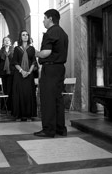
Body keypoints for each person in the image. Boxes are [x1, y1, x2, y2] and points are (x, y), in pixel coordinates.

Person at [34, 9, 68, 138]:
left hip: (51, 69)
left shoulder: (51, 32)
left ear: (50, 19)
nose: (43, 20)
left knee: (47, 99)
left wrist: (36, 52)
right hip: (60, 68)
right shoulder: (63, 33)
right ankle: (60, 129)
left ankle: (48, 130)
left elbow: (46, 52)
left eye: (44, 18)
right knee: (57, 99)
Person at [12, 30, 37, 121]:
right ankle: (19, 115)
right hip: (19, 74)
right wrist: (22, 71)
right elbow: (15, 61)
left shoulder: (32, 49)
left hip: (29, 75)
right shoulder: (17, 48)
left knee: (28, 94)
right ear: (20, 37)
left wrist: (29, 72)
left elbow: (34, 61)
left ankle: (29, 115)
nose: (25, 36)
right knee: (19, 94)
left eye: (27, 35)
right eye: (23, 35)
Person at [0, 36, 14, 111]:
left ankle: (10, 105)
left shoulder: (13, 49)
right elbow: (2, 57)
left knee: (10, 89)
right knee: (4, 89)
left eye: (8, 40)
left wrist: (8, 52)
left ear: (10, 42)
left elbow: (13, 58)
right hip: (3, 71)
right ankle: (4, 106)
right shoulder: (1, 50)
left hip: (11, 71)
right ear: (3, 42)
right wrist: (6, 52)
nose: (7, 41)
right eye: (5, 40)